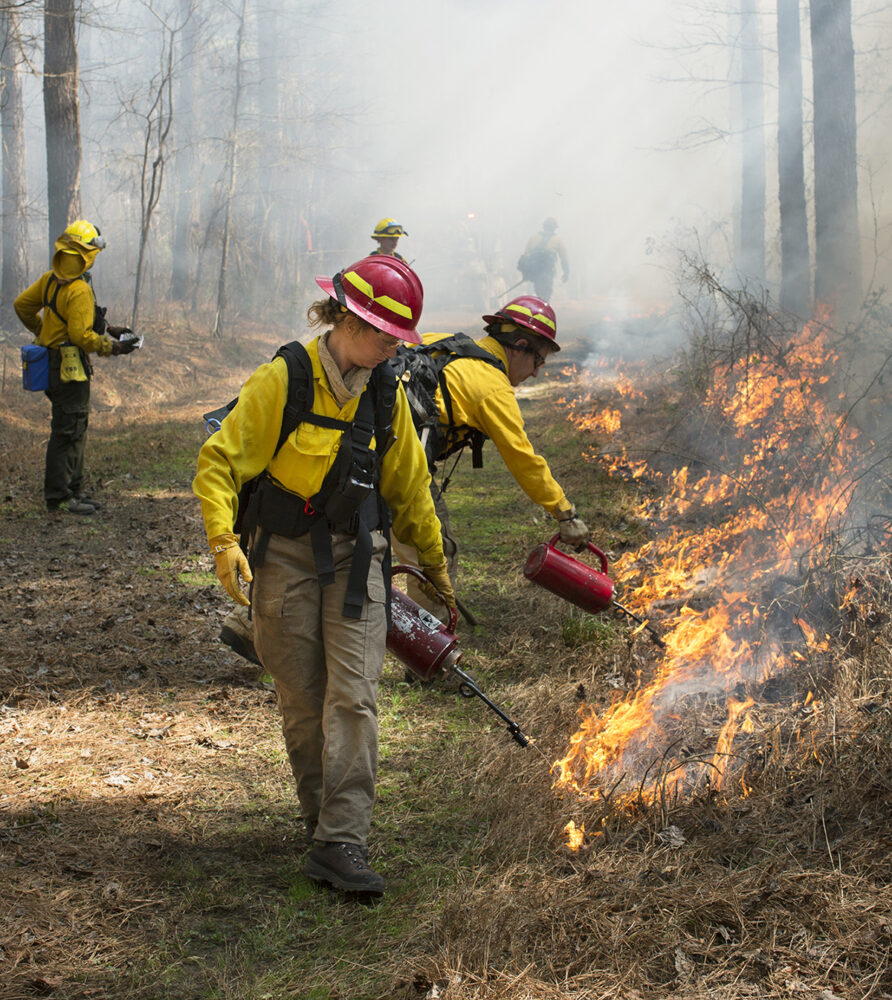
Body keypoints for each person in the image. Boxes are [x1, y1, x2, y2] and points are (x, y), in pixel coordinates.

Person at [194, 255, 455, 899]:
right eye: (381, 335)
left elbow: (411, 491)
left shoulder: (387, 391)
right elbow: (219, 463)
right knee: (302, 695)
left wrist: (436, 572)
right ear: (343, 318)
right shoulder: (282, 379)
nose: (390, 349)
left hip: (357, 555)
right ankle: (321, 827)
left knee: (355, 695)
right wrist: (225, 542)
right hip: (281, 554)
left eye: (398, 340)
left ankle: (344, 839)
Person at [390, 294, 589, 609]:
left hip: (364, 449)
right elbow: (524, 459)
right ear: (521, 345)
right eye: (538, 361)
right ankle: (433, 646)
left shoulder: (445, 341)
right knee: (436, 552)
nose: (536, 372)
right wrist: (565, 513)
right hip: (399, 467)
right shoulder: (492, 386)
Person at [14, 220, 137, 515]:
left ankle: (74, 491)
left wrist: (44, 333)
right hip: (69, 367)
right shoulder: (79, 289)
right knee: (67, 431)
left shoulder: (50, 281)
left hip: (51, 363)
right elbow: (80, 336)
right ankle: (59, 496)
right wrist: (113, 347)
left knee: (74, 427)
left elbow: (22, 305)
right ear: (85, 253)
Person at [518, 217, 569, 300]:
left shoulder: (533, 238)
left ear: (544, 226)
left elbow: (525, 256)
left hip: (535, 273)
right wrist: (566, 272)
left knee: (539, 293)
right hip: (548, 273)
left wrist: (525, 274)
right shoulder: (557, 240)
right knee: (546, 296)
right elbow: (564, 258)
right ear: (554, 228)